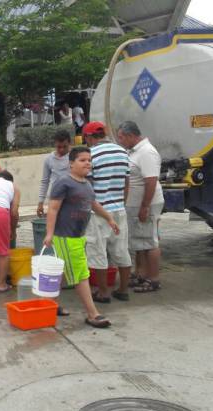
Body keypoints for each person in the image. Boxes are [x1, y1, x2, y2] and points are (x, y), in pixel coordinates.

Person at [43, 147, 119, 328]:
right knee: (80, 275)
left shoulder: (86, 184)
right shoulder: (63, 182)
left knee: (61, 273)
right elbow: (53, 209)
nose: (87, 163)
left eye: (89, 160)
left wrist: (109, 218)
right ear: (71, 163)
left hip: (78, 237)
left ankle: (48, 306)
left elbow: (93, 204)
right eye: (82, 160)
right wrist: (49, 233)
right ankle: (93, 314)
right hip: (66, 237)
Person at [82, 121, 133, 303]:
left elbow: (88, 187)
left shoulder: (90, 155)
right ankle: (123, 289)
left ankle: (103, 292)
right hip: (119, 209)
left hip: (99, 212)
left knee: (98, 251)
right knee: (121, 249)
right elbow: (127, 184)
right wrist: (120, 203)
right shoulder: (122, 152)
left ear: (89, 137)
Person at [117, 121, 164, 293]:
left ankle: (153, 279)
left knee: (150, 242)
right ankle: (141, 274)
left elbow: (150, 181)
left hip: (147, 203)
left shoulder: (146, 152)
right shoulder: (134, 151)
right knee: (140, 241)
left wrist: (144, 206)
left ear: (130, 136)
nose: (120, 140)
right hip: (136, 204)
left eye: (121, 137)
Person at [37, 129, 72, 217]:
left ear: (70, 143)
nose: (61, 149)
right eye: (58, 147)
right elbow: (45, 182)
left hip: (72, 198)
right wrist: (40, 202)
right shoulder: (49, 159)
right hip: (55, 198)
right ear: (55, 144)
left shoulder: (75, 157)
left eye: (65, 146)